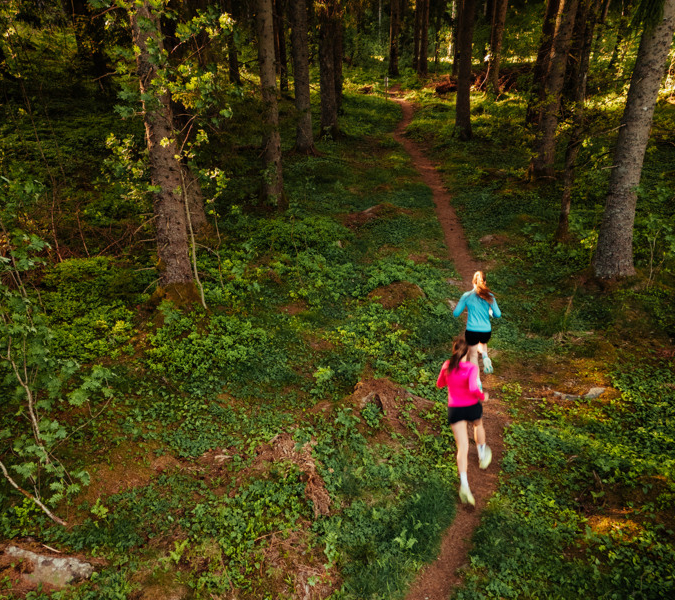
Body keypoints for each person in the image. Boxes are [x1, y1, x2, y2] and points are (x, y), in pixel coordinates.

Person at [436, 336, 492, 506]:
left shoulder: (447, 365)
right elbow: (474, 389)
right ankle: (482, 454)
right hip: (472, 406)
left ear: (454, 350)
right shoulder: (471, 368)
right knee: (478, 425)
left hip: (455, 409)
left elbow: (440, 384)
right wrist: (484, 396)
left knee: (462, 447)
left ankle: (465, 485)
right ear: (468, 352)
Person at [453, 270, 501, 374]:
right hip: (486, 331)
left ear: (473, 282)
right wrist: (490, 312)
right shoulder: (490, 296)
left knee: (473, 356)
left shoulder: (467, 296)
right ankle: (485, 356)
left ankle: (477, 382)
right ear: (485, 282)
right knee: (483, 342)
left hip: (472, 330)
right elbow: (498, 314)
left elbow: (456, 313)